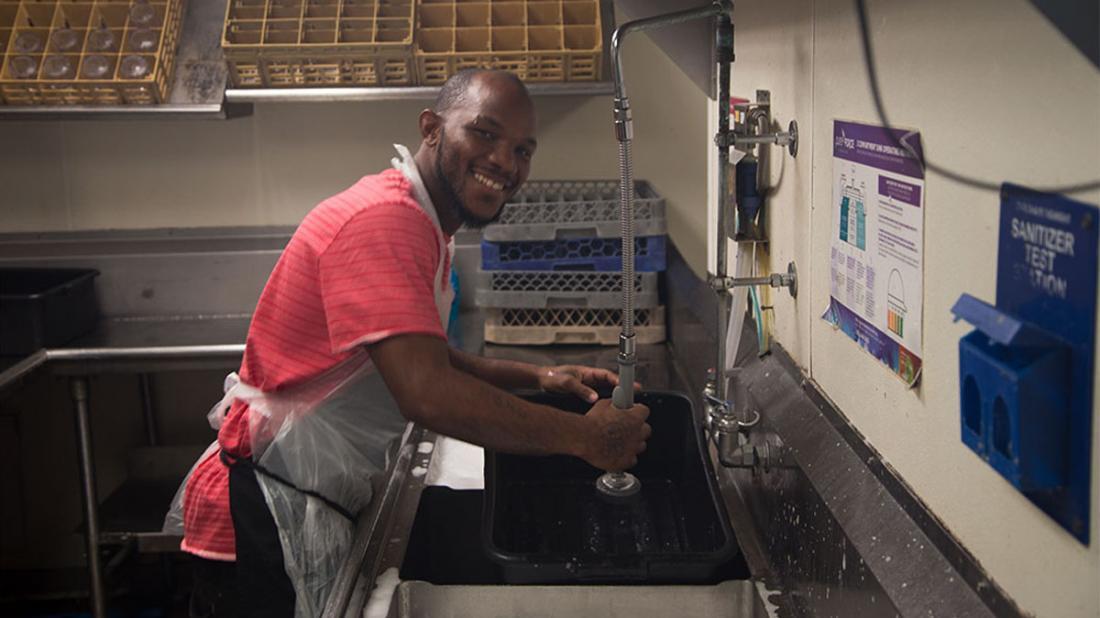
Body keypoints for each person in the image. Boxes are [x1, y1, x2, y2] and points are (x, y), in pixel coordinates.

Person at [179, 69, 651, 617]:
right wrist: (583, 438)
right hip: (259, 511)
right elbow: (425, 392)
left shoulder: (426, 222)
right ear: (431, 128)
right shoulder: (389, 222)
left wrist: (536, 377)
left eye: (523, 149)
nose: (506, 161)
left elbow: (415, 356)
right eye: (485, 134)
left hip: (297, 494)